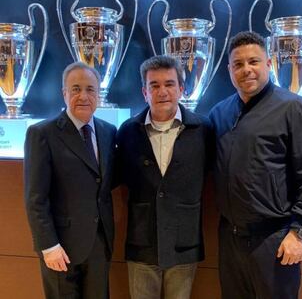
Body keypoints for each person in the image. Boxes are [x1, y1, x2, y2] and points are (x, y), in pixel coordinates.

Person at [209, 31, 302, 299]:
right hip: (230, 240)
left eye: (254, 61)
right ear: (229, 70)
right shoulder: (219, 113)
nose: (246, 70)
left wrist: (299, 232)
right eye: (238, 64)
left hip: (275, 240)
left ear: (269, 64)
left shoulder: (295, 109)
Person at [115, 55, 212, 299]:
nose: (162, 92)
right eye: (154, 86)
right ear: (144, 92)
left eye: (169, 84)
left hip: (184, 242)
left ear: (181, 89)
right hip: (142, 243)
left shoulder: (203, 130)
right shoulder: (128, 131)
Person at [24, 62, 117, 299]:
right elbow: (36, 199)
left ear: (98, 94)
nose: (83, 96)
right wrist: (48, 246)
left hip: (98, 244)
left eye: (90, 89)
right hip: (60, 248)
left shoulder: (108, 132)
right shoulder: (42, 134)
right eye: (75, 89)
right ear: (64, 93)